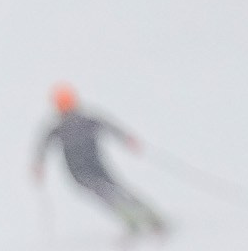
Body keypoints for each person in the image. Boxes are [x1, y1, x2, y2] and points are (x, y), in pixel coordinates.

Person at [32, 83, 168, 240]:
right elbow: (109, 126)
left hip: (84, 169)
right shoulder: (80, 122)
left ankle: (140, 218)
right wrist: (126, 139)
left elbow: (43, 146)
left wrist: (38, 165)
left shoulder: (65, 125)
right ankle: (148, 216)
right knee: (115, 189)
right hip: (88, 167)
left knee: (108, 192)